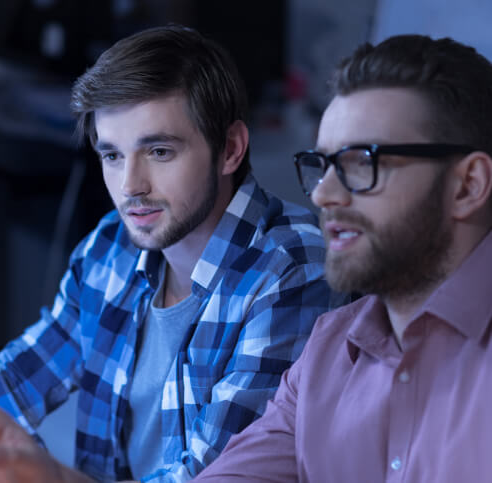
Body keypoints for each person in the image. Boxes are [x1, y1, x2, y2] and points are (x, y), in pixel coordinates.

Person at [0, 25, 341, 483]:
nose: (130, 185)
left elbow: (213, 477)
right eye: (112, 156)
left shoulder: (291, 270)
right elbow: (20, 375)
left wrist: (49, 476)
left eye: (159, 151)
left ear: (230, 149)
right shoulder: (112, 245)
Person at [191, 34, 492, 481]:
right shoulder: (328, 348)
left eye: (361, 162)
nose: (323, 194)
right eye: (323, 165)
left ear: (467, 185)